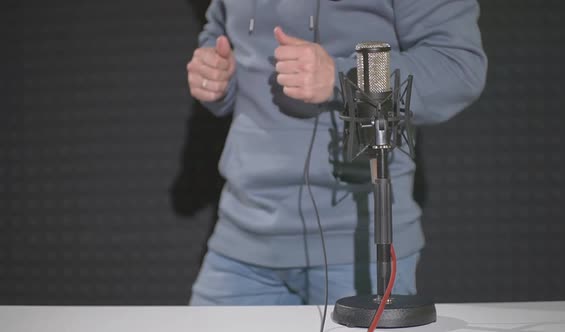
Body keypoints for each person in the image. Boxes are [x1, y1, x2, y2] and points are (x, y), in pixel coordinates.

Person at [186, 0, 487, 305]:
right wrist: (216, 75)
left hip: (361, 245)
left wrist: (342, 77)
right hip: (241, 240)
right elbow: (220, 34)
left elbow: (456, 66)